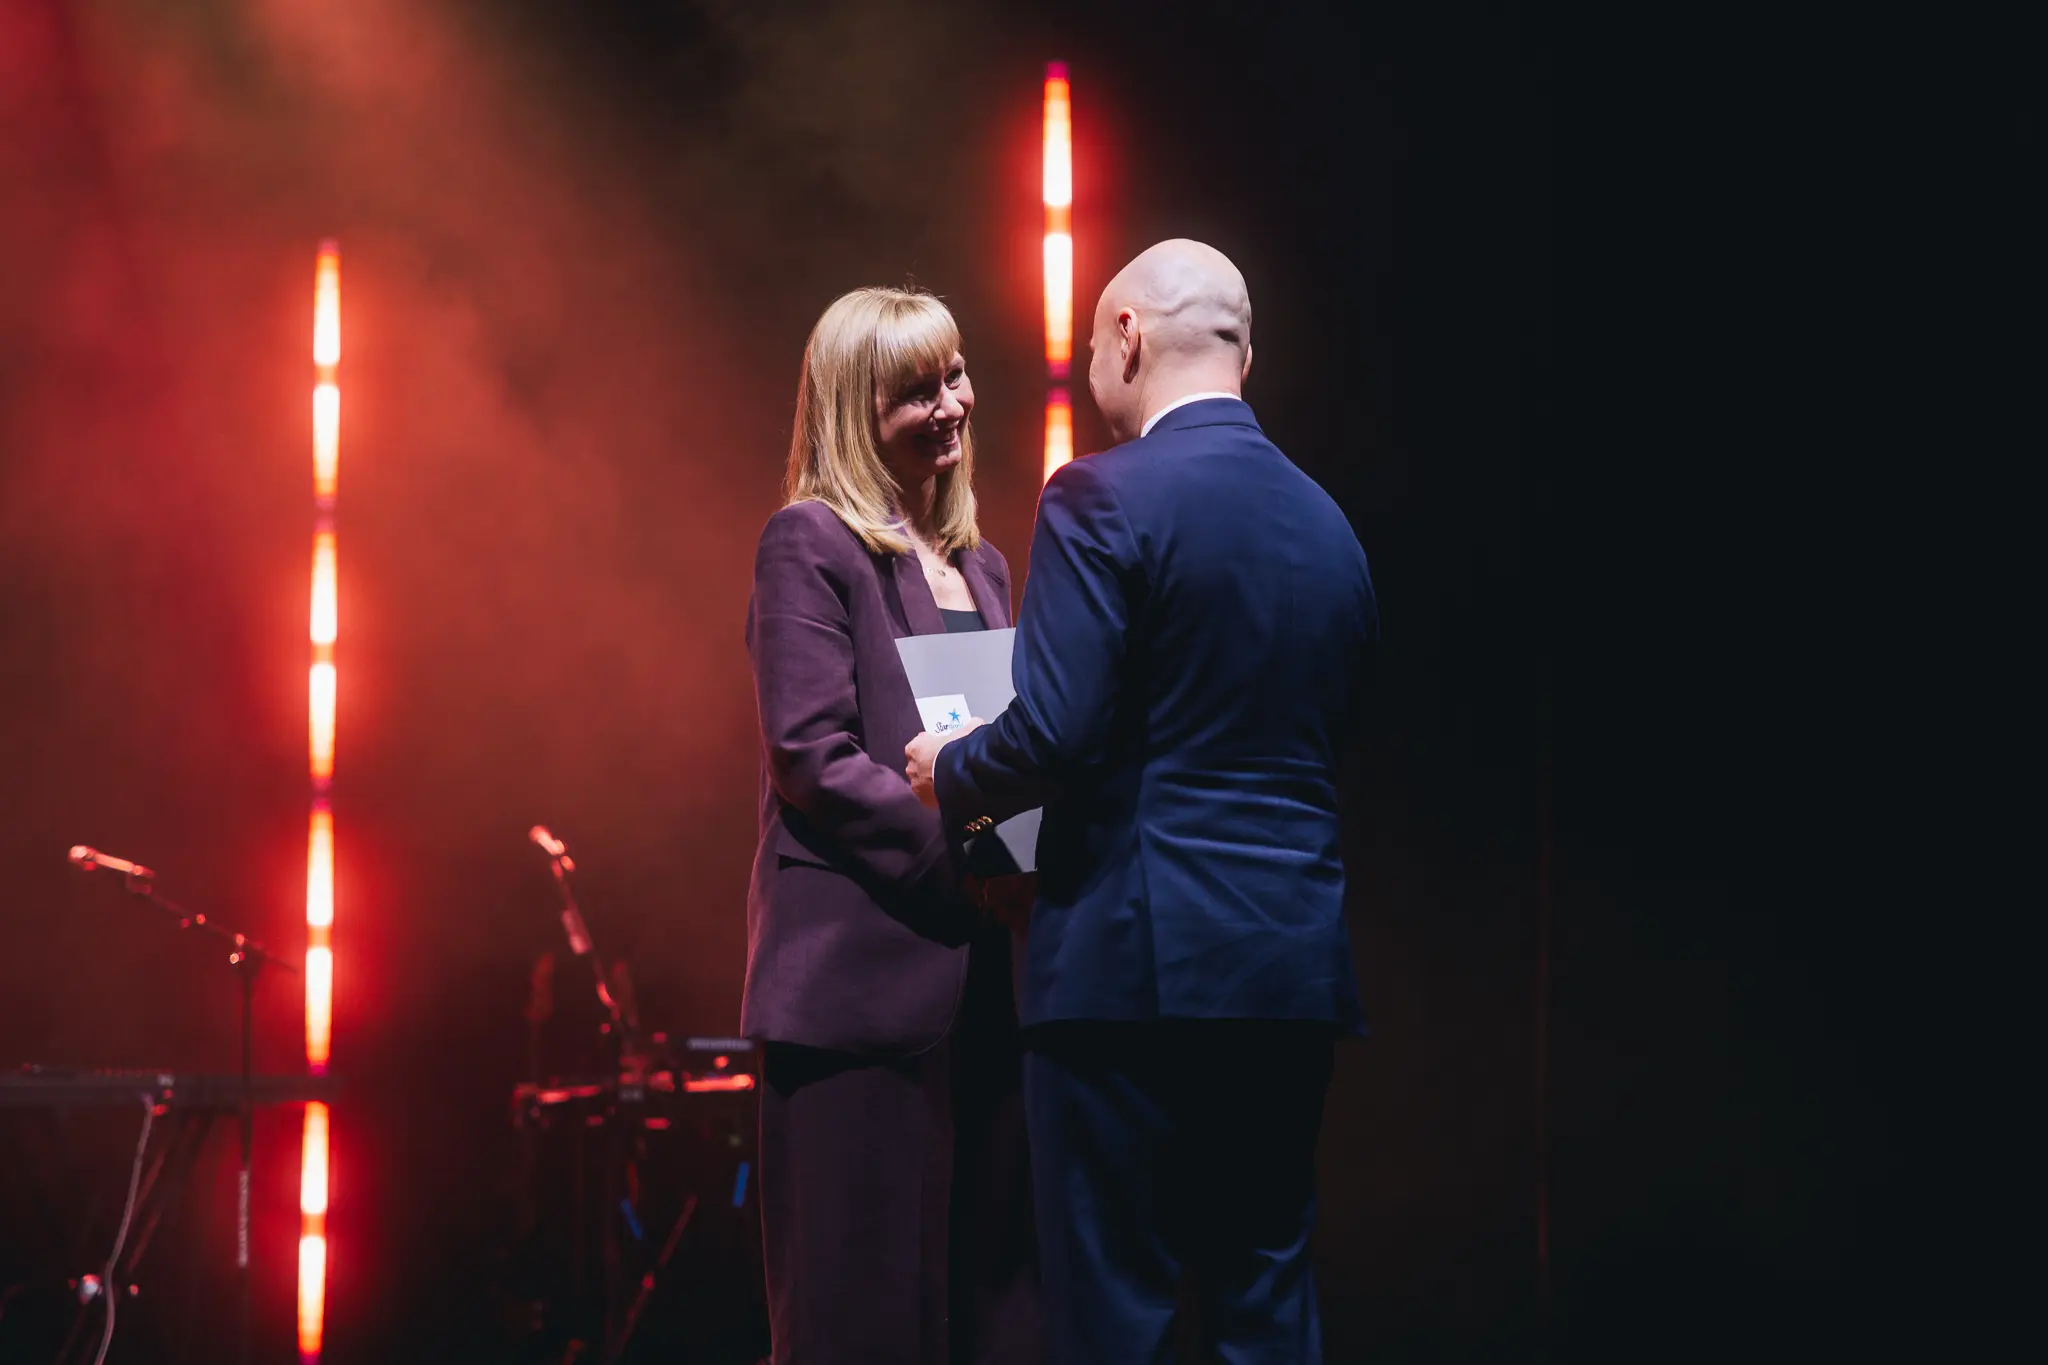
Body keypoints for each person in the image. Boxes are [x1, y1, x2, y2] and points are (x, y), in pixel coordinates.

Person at [906, 241, 1378, 1365]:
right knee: (1266, 1304)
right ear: (1241, 350)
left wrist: (948, 769)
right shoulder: (1332, 528)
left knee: (1115, 1312)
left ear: (1124, 338)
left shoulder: (1097, 495)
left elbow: (1055, 732)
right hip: (1289, 972)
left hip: (1130, 972)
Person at [745, 286, 1041, 1364]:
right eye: (918, 390)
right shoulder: (810, 543)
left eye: (955, 375)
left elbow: (1000, 764)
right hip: (856, 999)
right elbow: (809, 756)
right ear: (852, 413)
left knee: (996, 1317)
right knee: (855, 1321)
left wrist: (1024, 862)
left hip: (988, 987)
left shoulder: (982, 565)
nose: (952, 404)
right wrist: (973, 864)